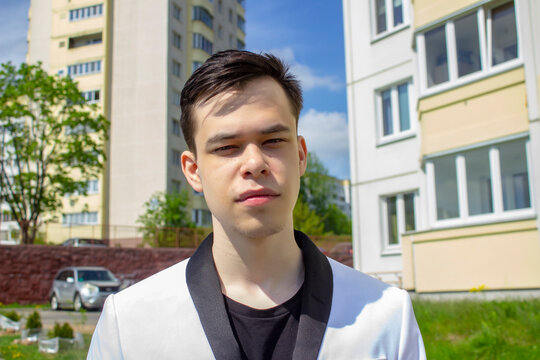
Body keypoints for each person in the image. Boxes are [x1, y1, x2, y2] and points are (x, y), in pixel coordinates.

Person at [87, 50, 426, 359]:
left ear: (300, 155)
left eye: (273, 140)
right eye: (227, 147)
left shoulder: (387, 316)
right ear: (193, 171)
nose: (254, 162)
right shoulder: (129, 324)